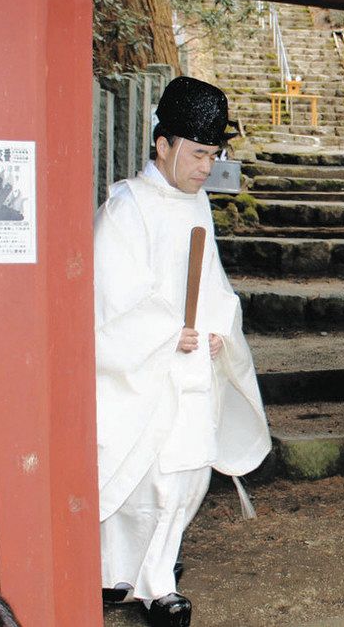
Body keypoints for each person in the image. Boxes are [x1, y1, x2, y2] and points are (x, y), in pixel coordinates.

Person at [94, 77, 270, 627]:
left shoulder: (195, 205)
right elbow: (110, 295)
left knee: (187, 472)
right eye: (197, 154)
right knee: (146, 472)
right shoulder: (127, 207)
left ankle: (153, 570)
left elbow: (213, 285)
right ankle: (134, 576)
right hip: (147, 364)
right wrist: (167, 331)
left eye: (213, 156)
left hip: (192, 363)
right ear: (162, 143)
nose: (205, 168)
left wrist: (218, 329)